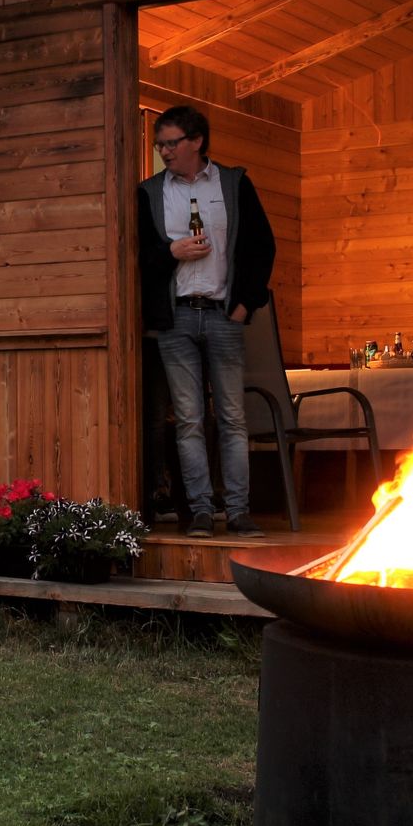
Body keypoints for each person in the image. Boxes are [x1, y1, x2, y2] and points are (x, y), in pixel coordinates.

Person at [137, 104, 277, 539]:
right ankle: (199, 511)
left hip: (222, 315)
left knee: (233, 418)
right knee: (190, 419)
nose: (164, 151)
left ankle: (238, 512)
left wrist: (244, 306)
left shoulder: (233, 184)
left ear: (196, 141)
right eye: (160, 144)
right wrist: (171, 253)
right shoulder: (150, 192)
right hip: (175, 318)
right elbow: (137, 255)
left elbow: (261, 246)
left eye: (171, 143)